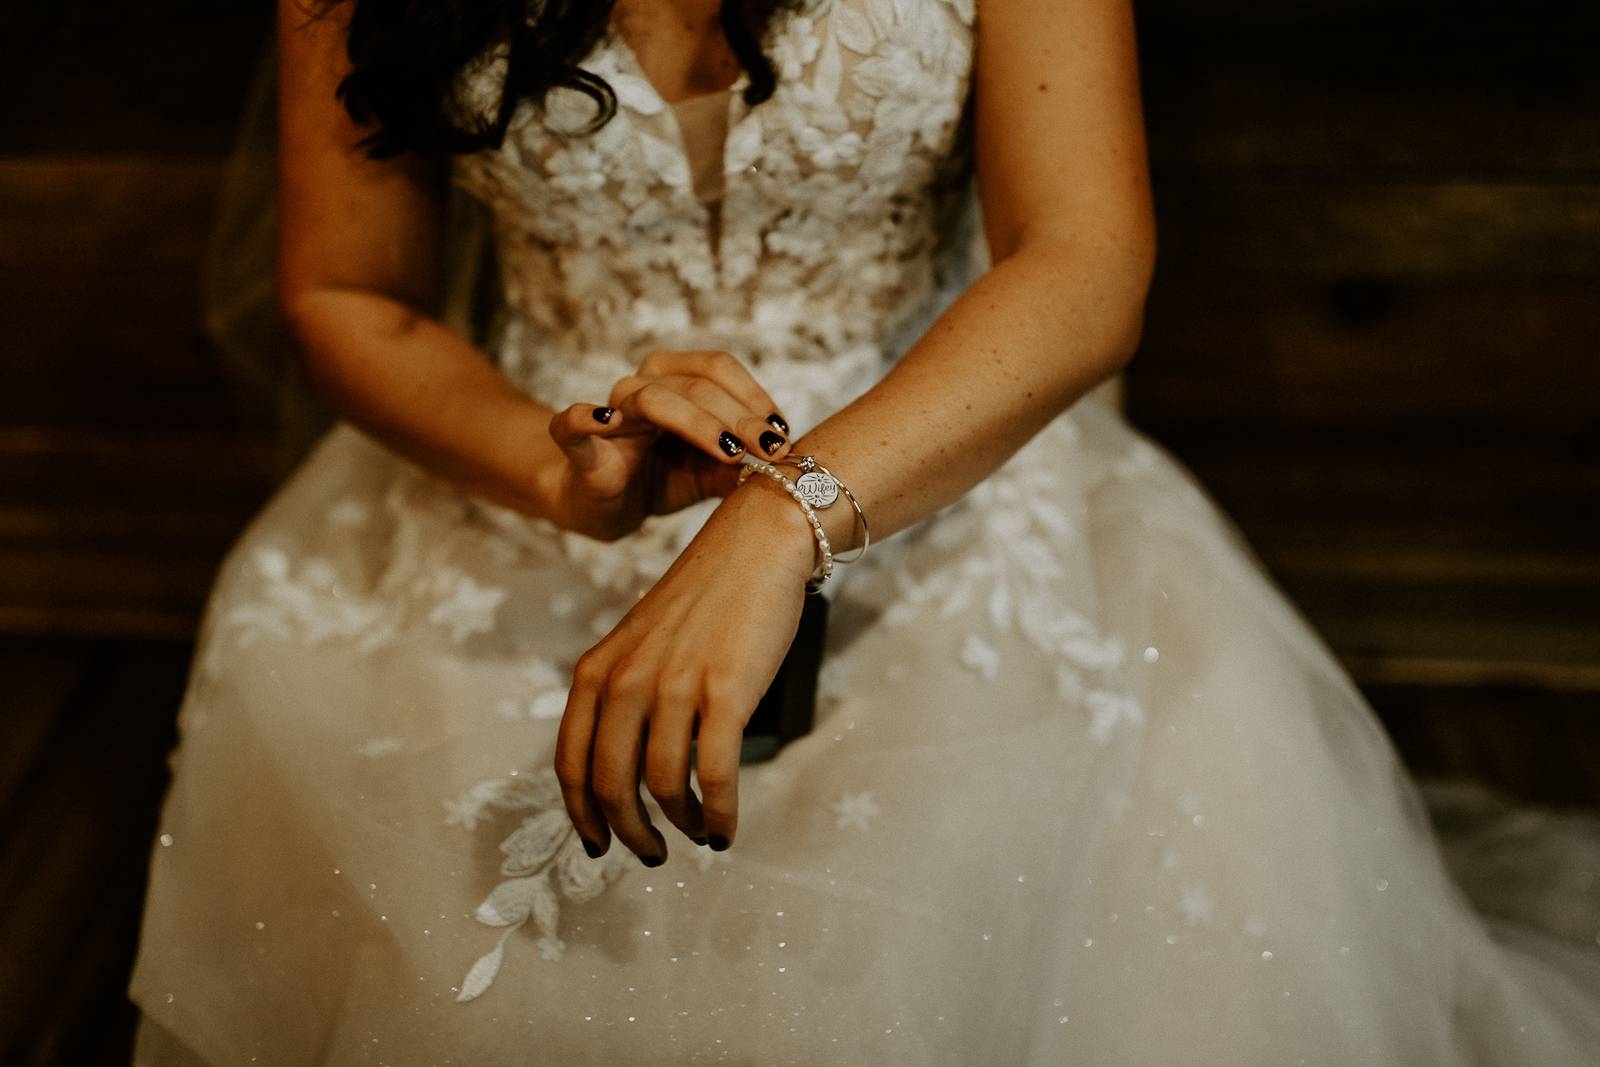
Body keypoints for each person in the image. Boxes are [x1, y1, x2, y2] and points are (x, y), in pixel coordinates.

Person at [129, 0, 1600, 1062]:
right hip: (519, 485)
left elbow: (1084, 265)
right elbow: (351, 297)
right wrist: (555, 464)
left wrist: (784, 521)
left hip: (940, 477)